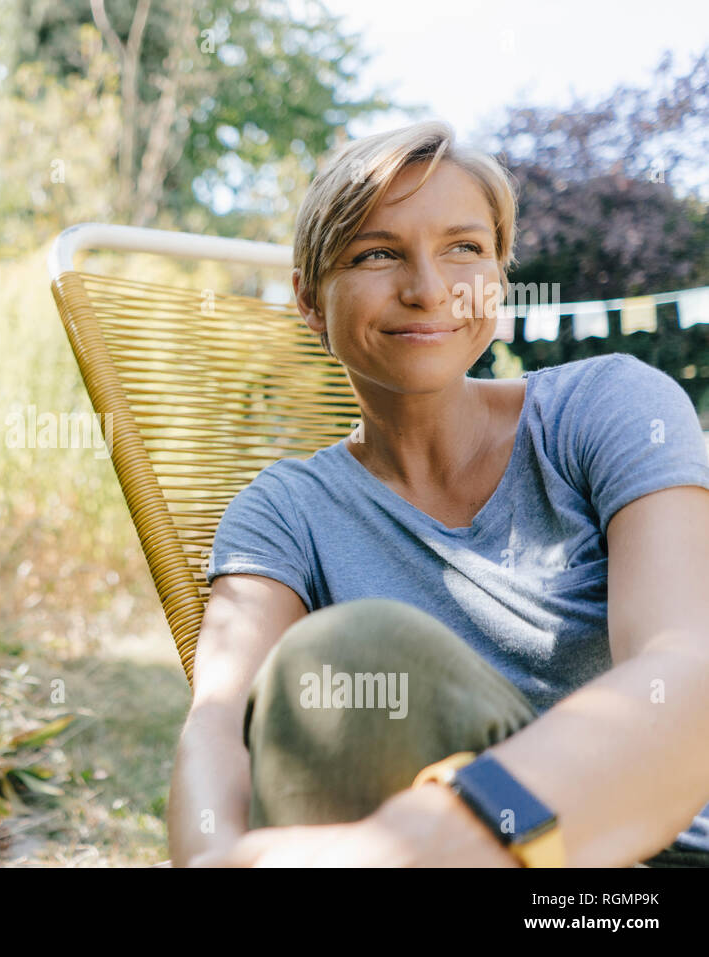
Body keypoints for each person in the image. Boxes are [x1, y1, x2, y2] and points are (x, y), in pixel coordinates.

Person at [166, 120, 709, 868]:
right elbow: (218, 724)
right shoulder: (283, 511)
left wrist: (437, 836)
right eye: (377, 253)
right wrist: (212, 858)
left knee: (356, 651)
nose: (428, 289)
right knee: (342, 665)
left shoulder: (609, 408)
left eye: (464, 248)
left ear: (499, 275)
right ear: (308, 299)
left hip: (641, 860)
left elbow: (689, 663)